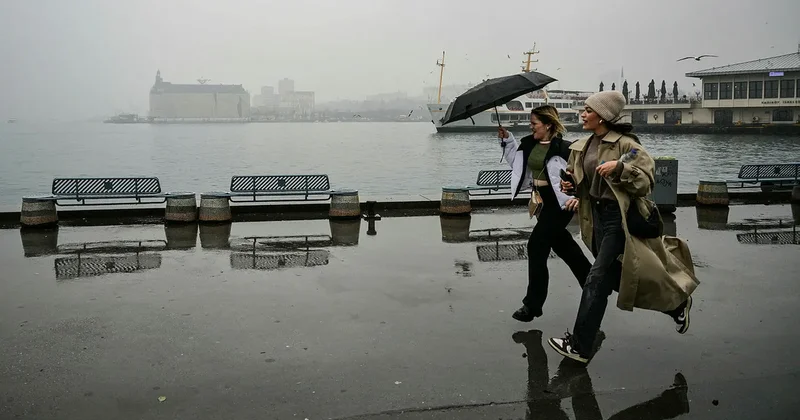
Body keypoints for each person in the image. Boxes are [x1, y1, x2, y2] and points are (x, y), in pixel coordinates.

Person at [547, 91, 699, 364]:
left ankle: (580, 346)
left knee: (596, 278)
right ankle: (676, 304)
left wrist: (620, 168)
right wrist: (569, 185)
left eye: (587, 110)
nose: (582, 114)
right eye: (584, 109)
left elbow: (646, 183)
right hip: (595, 218)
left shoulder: (627, 146)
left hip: (619, 220)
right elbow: (580, 183)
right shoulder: (582, 146)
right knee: (610, 280)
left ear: (603, 116)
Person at [498, 105, 592, 322]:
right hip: (541, 202)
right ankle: (596, 285)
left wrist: (577, 197)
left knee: (536, 246)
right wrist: (507, 139)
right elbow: (518, 165)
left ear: (548, 124)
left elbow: (581, 177)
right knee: (567, 250)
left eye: (534, 124)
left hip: (559, 204)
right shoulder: (529, 144)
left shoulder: (566, 149)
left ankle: (532, 306)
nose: (531, 127)